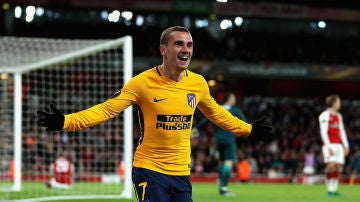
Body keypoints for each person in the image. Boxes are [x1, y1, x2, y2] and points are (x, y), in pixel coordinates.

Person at [37, 26, 272, 202]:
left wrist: (248, 128)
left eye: (189, 45)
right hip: (150, 170)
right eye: (179, 44)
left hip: (181, 173)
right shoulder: (142, 83)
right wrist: (67, 121)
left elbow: (218, 114)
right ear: (164, 49)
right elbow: (107, 109)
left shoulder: (198, 84)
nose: (186, 50)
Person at [196, 92, 247, 196]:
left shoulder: (218, 108)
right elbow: (245, 122)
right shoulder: (235, 110)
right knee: (229, 162)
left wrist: (196, 128)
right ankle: (223, 188)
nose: (234, 100)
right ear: (229, 99)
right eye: (233, 98)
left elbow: (206, 119)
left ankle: (220, 179)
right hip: (229, 139)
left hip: (218, 139)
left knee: (222, 161)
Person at [318, 94, 349, 196]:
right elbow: (323, 132)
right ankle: (329, 190)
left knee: (338, 167)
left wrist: (346, 145)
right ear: (333, 103)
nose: (340, 103)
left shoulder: (339, 116)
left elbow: (342, 131)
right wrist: (327, 146)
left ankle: (334, 190)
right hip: (329, 144)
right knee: (331, 166)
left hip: (338, 144)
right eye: (338, 101)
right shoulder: (324, 115)